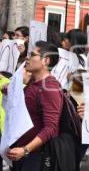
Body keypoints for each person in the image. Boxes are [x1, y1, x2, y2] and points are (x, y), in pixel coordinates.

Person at [6, 41, 63, 171]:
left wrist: (25, 150)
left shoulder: (50, 88)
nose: (27, 57)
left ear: (46, 61)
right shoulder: (34, 82)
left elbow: (51, 128)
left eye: (32, 54)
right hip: (21, 154)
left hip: (35, 157)